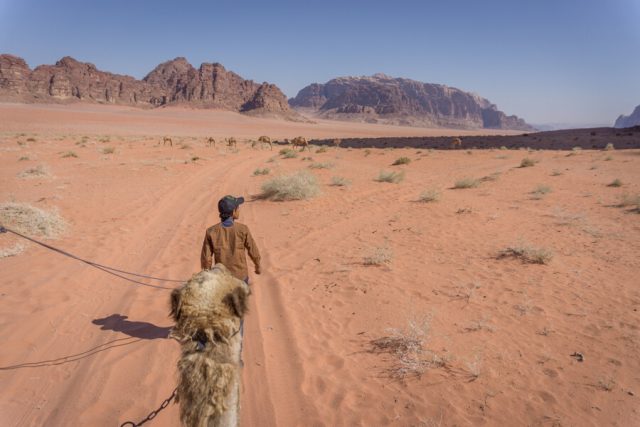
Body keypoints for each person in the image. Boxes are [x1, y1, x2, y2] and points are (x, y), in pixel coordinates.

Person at [200, 195, 261, 283]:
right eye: (238, 208)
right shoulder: (243, 229)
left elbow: (206, 258)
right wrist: (257, 265)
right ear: (233, 212)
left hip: (221, 279)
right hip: (241, 277)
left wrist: (207, 274)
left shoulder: (211, 231)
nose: (239, 210)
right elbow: (253, 250)